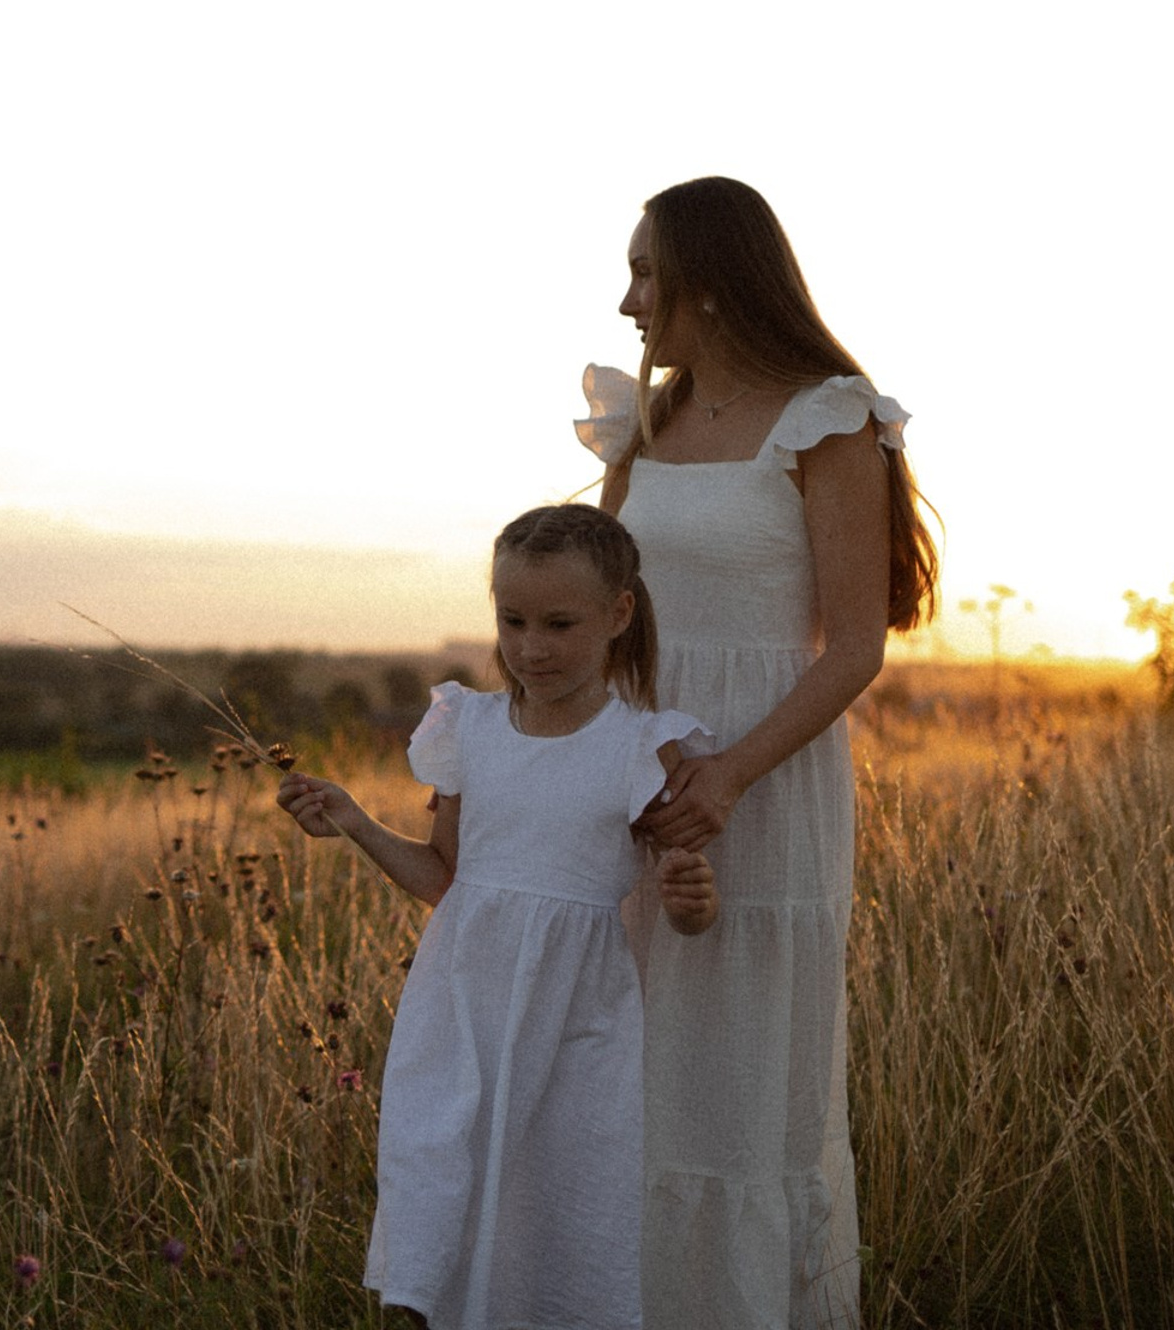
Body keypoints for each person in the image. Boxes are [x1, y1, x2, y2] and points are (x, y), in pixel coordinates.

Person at [577, 174, 939, 1330]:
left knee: (737, 1085)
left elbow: (854, 648)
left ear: (716, 282)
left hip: (761, 786)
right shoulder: (650, 419)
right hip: (633, 776)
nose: (629, 300)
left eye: (648, 272)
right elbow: (605, 611)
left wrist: (728, 774)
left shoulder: (826, 418)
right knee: (625, 1073)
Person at [278, 503, 719, 1330]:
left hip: (578, 1022)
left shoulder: (639, 745)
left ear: (618, 615)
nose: (531, 646)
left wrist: (696, 904)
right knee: (445, 1187)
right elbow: (446, 877)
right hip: (461, 1010)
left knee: (563, 1206)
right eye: (512, 620)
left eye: (559, 622)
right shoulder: (469, 729)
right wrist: (356, 823)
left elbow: (680, 901)